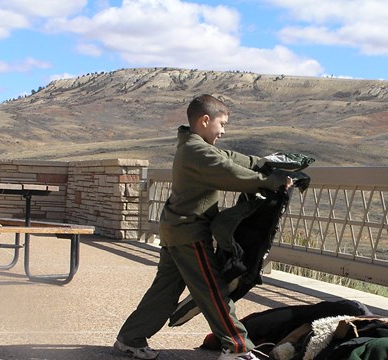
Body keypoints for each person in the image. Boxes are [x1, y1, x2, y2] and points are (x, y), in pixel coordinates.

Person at [114, 94, 293, 360]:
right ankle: (237, 347)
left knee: (164, 291)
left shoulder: (193, 146)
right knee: (212, 290)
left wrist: (263, 162)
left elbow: (230, 157)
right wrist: (272, 181)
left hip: (175, 230)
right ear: (205, 120)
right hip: (189, 233)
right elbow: (229, 172)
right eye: (222, 124)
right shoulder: (197, 152)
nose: (223, 131)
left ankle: (130, 338)